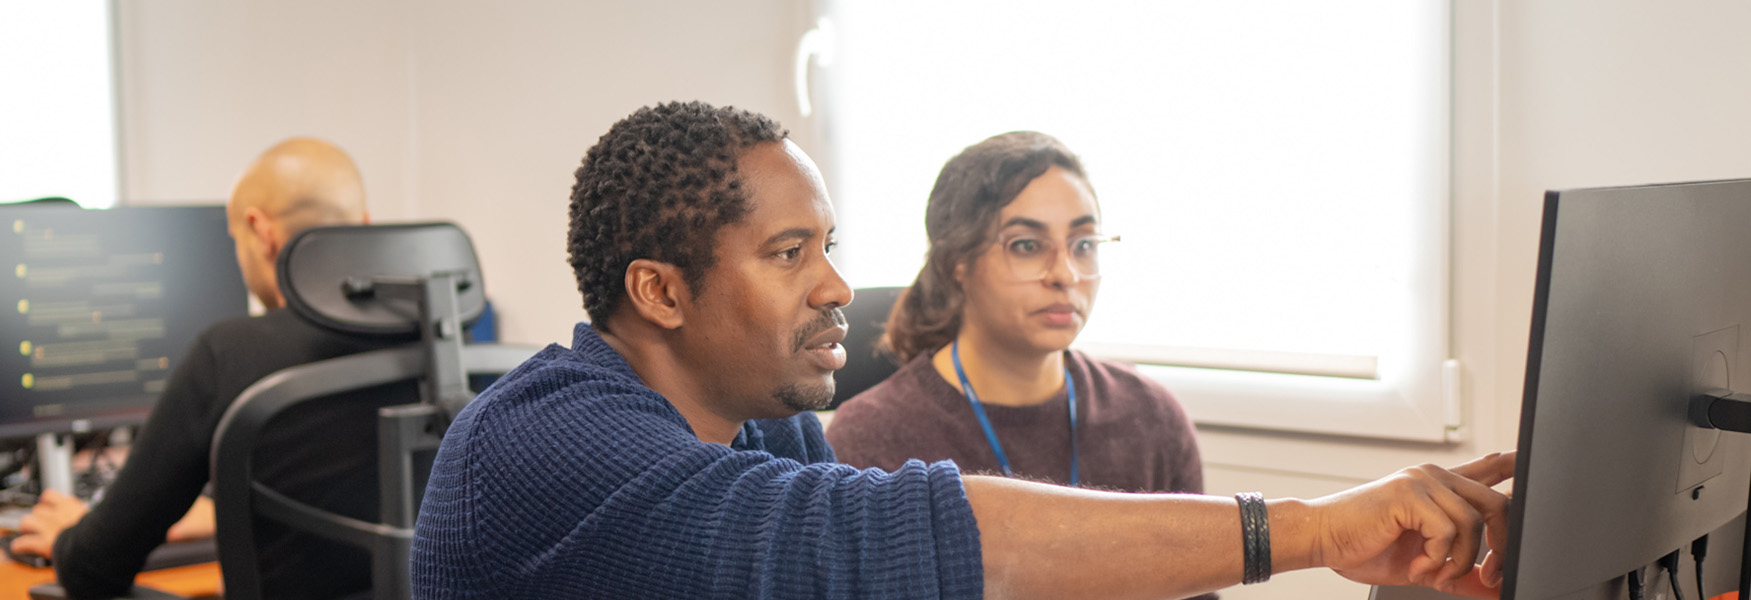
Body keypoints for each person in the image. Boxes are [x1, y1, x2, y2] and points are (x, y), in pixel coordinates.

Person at [412, 101, 1514, 600]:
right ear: (658, 290)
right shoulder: (546, 446)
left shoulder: (767, 420)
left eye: (829, 247)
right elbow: (894, 541)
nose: (837, 285)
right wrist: (1312, 530)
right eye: (790, 252)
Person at [9, 138, 398, 600]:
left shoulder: (231, 353)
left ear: (261, 232)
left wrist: (71, 538)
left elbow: (97, 568)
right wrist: (220, 511)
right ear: (365, 226)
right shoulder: (445, 346)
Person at [827, 132, 1204, 503]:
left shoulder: (1153, 418)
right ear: (957, 262)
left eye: (1084, 244)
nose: (1065, 274)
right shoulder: (872, 439)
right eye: (1027, 246)